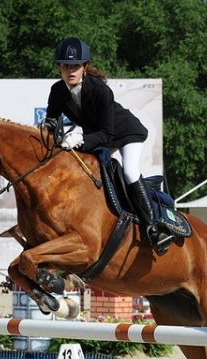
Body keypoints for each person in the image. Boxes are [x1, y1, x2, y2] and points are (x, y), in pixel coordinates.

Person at [45, 36, 163, 252]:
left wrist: (80, 138)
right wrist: (52, 133)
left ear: (84, 67)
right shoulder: (57, 91)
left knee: (129, 171)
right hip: (97, 135)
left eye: (75, 66)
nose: (70, 70)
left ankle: (153, 227)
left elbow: (107, 135)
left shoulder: (100, 90)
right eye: (65, 66)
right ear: (59, 67)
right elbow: (51, 122)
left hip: (126, 133)